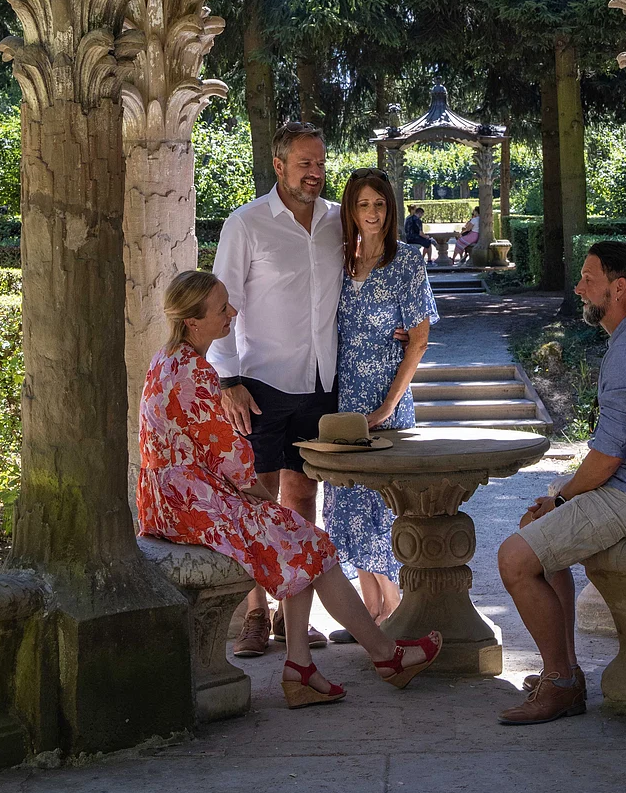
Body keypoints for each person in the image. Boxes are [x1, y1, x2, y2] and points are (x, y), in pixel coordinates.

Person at [138, 269, 441, 706]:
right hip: (192, 506)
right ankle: (382, 657)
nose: (232, 312)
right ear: (193, 322)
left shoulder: (164, 360)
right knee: (308, 541)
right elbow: (233, 460)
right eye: (222, 308)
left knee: (300, 541)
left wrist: (266, 508)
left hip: (166, 503)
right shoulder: (196, 372)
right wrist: (266, 503)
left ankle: (302, 667)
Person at [496, 241, 626, 725]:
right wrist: (557, 500)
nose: (579, 288)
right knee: (535, 529)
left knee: (514, 560)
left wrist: (561, 498)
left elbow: (606, 459)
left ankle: (561, 682)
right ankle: (565, 674)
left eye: (589, 279)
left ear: (619, 288)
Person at [207, 121, 342, 658]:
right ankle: (255, 613)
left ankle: (292, 612)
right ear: (279, 165)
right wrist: (229, 380)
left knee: (303, 497)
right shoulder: (246, 223)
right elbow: (221, 304)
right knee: (255, 499)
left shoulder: (337, 221)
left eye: (320, 163)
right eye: (304, 163)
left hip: (320, 382)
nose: (315, 173)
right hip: (259, 383)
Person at [324, 170, 439, 625]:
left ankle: (395, 610)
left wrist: (388, 407)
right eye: (363, 204)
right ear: (350, 210)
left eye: (379, 204)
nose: (371, 213)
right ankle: (372, 609)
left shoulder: (407, 261)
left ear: (390, 209)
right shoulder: (339, 261)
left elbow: (419, 341)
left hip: (385, 402)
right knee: (348, 502)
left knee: (381, 507)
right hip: (343, 401)